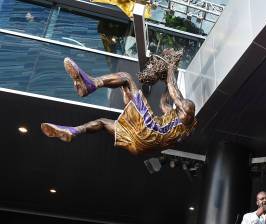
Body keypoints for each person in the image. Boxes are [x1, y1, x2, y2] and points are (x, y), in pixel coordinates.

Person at [40, 49, 197, 155]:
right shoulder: (176, 125)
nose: (184, 105)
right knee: (102, 122)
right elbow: (165, 101)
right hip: (139, 145)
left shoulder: (188, 109)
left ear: (189, 113)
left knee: (127, 78)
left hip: (150, 129)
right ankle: (72, 131)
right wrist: (164, 81)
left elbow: (172, 86)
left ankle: (91, 84)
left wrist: (171, 66)